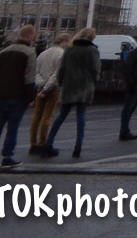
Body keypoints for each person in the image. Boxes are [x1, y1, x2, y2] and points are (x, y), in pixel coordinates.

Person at [43, 27, 100, 159]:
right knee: (81, 116)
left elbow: (61, 69)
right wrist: (93, 82)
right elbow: (96, 70)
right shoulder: (92, 50)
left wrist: (61, 82)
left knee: (61, 115)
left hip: (69, 86)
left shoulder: (69, 49)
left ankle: (49, 143)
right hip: (85, 86)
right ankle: (78, 146)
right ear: (91, 37)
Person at [0, 24, 37, 169]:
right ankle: (7, 156)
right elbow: (29, 77)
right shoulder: (29, 53)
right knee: (12, 127)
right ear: (30, 36)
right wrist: (30, 97)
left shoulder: (4, 52)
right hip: (18, 94)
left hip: (2, 94)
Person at [29, 33, 71, 154]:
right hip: (52, 89)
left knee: (36, 116)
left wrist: (41, 86)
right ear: (64, 42)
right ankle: (43, 142)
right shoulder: (62, 54)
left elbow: (36, 72)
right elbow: (56, 75)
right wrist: (46, 88)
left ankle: (33, 143)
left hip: (40, 87)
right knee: (47, 116)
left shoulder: (43, 54)